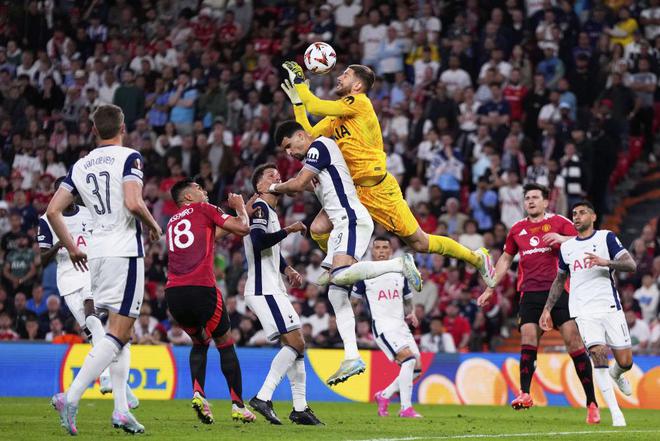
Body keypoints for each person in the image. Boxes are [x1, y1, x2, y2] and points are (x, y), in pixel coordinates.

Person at [279, 61, 495, 288]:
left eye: (346, 74)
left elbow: (314, 105)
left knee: (420, 243)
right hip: (352, 190)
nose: (340, 77)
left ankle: (476, 258)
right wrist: (297, 103)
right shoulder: (336, 117)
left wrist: (300, 83)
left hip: (378, 190)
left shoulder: (360, 103)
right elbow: (309, 136)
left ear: (357, 86)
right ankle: (337, 264)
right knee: (318, 229)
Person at [263, 121, 421, 386]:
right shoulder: (314, 165)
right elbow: (313, 194)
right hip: (341, 227)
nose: (289, 153)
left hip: (352, 221)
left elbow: (299, 184)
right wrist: (312, 222)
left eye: (289, 146)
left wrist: (272, 188)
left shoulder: (320, 146)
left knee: (340, 275)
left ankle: (399, 264)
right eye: (285, 151)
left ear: (301, 136)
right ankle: (351, 357)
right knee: (335, 293)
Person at [48, 104, 162, 435]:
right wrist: (153, 225)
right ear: (123, 128)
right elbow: (133, 202)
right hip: (123, 251)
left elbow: (53, 211)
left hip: (95, 255)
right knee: (120, 332)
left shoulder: (80, 165)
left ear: (94, 130)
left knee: (120, 333)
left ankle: (121, 410)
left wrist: (72, 247)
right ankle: (70, 396)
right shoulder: (130, 157)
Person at [477, 183, 598, 421]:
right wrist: (491, 287)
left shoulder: (560, 222)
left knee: (573, 341)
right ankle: (524, 393)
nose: (531, 201)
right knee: (528, 337)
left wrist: (562, 239)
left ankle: (591, 402)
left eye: (535, 197)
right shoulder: (517, 229)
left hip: (559, 290)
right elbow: (505, 259)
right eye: (527, 198)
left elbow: (584, 240)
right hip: (529, 293)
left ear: (545, 202)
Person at [38, 177, 138, 407]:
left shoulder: (88, 213)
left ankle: (106, 378)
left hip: (92, 271)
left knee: (93, 318)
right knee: (94, 333)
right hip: (67, 279)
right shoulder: (47, 220)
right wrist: (60, 244)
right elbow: (42, 260)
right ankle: (123, 389)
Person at [164, 178, 255, 424]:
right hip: (202, 289)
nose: (204, 191)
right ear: (188, 196)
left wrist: (246, 208)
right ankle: (238, 406)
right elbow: (243, 228)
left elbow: (212, 234)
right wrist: (240, 207)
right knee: (224, 342)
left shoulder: (172, 222)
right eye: (198, 188)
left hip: (174, 294)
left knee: (200, 341)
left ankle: (198, 393)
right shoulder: (204, 208)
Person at [541, 201, 637, 427]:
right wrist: (547, 308)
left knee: (626, 362)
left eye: (582, 213)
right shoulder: (567, 248)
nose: (576, 216)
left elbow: (631, 265)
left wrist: (606, 262)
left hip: (610, 308)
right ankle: (616, 413)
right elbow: (559, 280)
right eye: (574, 213)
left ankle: (617, 373)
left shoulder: (606, 237)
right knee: (598, 355)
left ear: (593, 217)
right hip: (583, 311)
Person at [245, 164, 322, 426]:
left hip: (271, 287)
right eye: (270, 175)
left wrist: (287, 268)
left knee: (297, 345)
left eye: (278, 175)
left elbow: (269, 252)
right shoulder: (259, 207)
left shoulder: (270, 211)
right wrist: (289, 230)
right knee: (296, 342)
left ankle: (300, 408)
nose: (277, 177)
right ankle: (263, 397)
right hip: (263, 288)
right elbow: (258, 242)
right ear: (259, 186)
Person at [351, 236, 423, 418]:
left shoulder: (399, 271)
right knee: (408, 360)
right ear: (372, 251)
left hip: (401, 327)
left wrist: (412, 312)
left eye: (385, 247)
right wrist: (348, 321)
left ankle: (384, 395)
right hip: (383, 327)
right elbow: (354, 302)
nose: (381, 251)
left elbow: (408, 299)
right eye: (378, 248)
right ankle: (406, 408)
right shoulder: (364, 274)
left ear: (391, 250)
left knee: (416, 369)